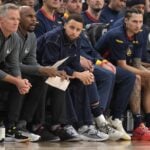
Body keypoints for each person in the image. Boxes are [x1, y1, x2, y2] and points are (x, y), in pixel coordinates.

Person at [95, 8, 150, 141]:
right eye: (134, 21)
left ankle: (146, 122)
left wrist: (148, 74)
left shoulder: (140, 34)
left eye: (140, 22)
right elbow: (122, 65)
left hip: (119, 66)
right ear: (126, 21)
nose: (138, 25)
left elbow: (136, 64)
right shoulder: (117, 34)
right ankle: (134, 123)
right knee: (135, 78)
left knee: (147, 79)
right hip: (100, 63)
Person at [0, 3, 32, 142]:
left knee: (20, 84)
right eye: (12, 19)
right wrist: (17, 81)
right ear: (1, 20)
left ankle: (10, 127)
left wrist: (20, 81)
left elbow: (14, 64)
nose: (16, 22)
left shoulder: (15, 38)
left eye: (18, 19)